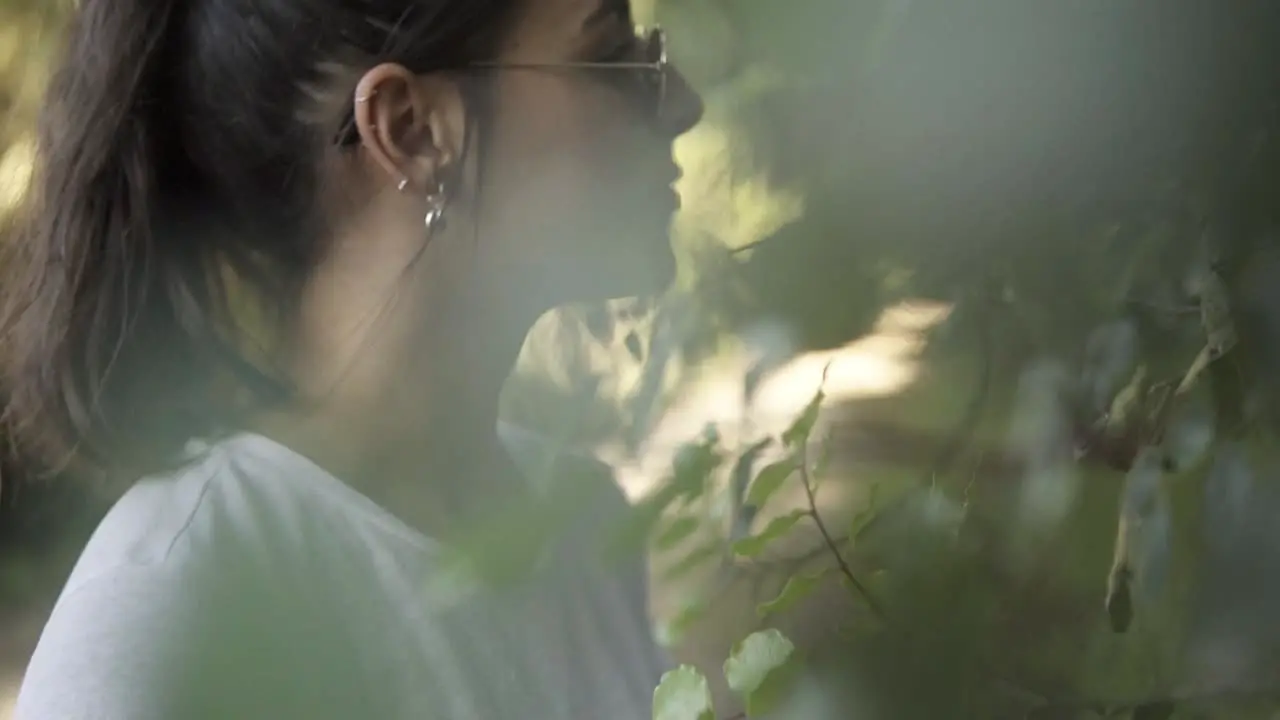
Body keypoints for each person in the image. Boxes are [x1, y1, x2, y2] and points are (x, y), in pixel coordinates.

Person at [1, 0, 703, 716]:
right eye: (611, 55)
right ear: (412, 131)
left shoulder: (579, 520)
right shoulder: (169, 600)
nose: (681, 101)